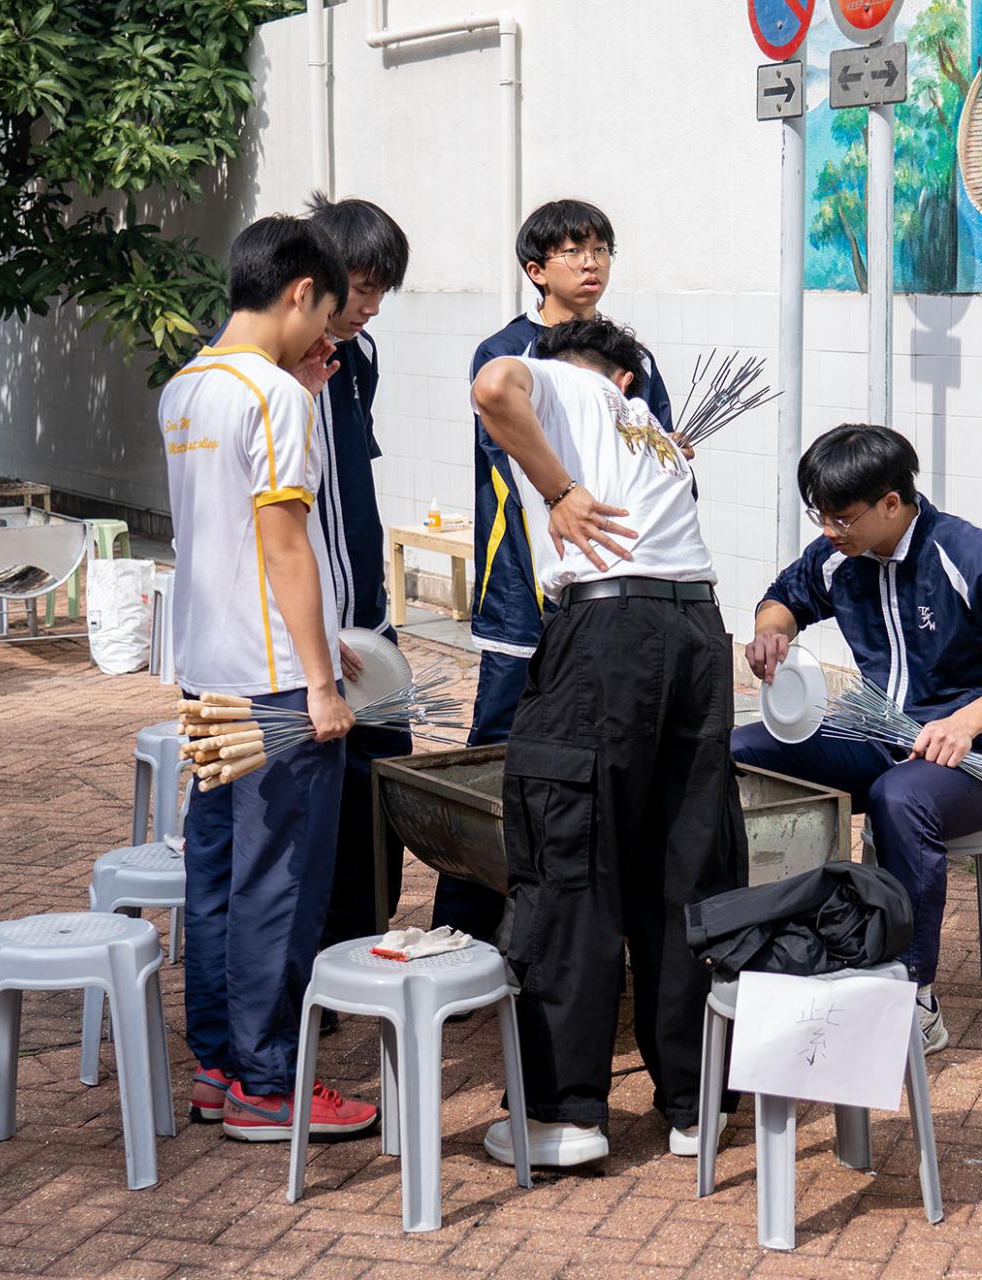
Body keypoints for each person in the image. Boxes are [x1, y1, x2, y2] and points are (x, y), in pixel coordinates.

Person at [468, 316, 744, 1169]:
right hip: (698, 633)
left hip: (607, 636)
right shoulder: (654, 434)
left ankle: (563, 1117)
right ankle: (697, 1105)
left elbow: (493, 389)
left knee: (572, 857)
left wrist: (556, 490)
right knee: (688, 866)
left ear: (604, 374)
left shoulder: (562, 379)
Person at [735, 425, 982, 1053]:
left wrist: (967, 721)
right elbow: (785, 595)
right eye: (820, 516)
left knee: (901, 799)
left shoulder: (973, 558)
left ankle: (912, 992)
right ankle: (758, 942)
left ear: (892, 503)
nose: (828, 531)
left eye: (841, 517)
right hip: (881, 733)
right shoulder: (840, 556)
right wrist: (771, 631)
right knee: (742, 754)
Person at [159, 214, 376, 1143]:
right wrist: (322, 680)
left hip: (207, 673)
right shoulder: (277, 398)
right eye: (327, 312)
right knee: (280, 885)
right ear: (300, 292)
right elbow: (285, 545)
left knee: (215, 874)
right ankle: (269, 1082)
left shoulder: (185, 388)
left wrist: (299, 387)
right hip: (277, 684)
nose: (328, 332)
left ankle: (219, 1066)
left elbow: (225, 531)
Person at [434, 199, 674, 941]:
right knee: (498, 750)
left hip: (611, 588)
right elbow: (510, 446)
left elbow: (657, 452)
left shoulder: (631, 356)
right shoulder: (507, 352)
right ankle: (462, 930)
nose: (591, 263)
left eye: (600, 249)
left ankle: (569, 926)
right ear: (536, 270)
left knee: (600, 753)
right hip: (523, 587)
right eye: (573, 251)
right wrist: (565, 490)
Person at [295, 195, 415, 966]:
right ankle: (312, 966)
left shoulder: (358, 357)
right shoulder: (276, 368)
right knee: (316, 807)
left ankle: (362, 947)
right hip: (313, 633)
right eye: (362, 289)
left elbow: (352, 492)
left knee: (381, 789)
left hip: (368, 623)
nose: (371, 307)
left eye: (381, 292)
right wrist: (315, 632)